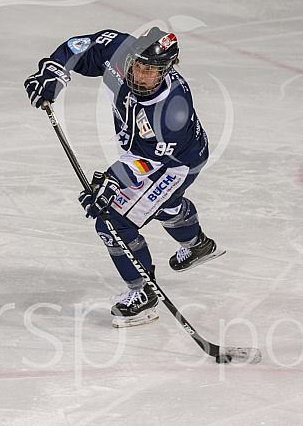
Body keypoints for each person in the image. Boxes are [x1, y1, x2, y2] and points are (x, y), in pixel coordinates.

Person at [24, 27, 223, 328]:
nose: (141, 75)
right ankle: (197, 244)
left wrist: (111, 180)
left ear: (168, 70)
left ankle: (143, 294)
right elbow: (83, 46)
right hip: (160, 154)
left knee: (112, 220)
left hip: (173, 163)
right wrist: (55, 70)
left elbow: (149, 162)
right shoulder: (121, 51)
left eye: (151, 71)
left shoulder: (172, 111)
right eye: (138, 67)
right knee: (162, 204)